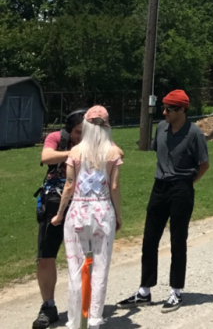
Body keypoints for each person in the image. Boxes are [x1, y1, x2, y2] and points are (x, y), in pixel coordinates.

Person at [119, 89, 209, 313]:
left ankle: (176, 291)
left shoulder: (195, 134)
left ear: (182, 110)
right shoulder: (161, 127)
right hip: (159, 187)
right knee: (149, 239)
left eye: (169, 108)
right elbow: (157, 151)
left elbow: (204, 164)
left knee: (178, 241)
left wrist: (187, 183)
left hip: (181, 188)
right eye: (164, 107)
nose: (164, 111)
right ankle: (144, 291)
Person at [51, 105, 123, 329]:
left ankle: (75, 321)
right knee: (101, 267)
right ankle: (93, 319)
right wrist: (118, 215)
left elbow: (69, 186)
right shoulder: (114, 153)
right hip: (103, 212)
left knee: (76, 267)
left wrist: (59, 213)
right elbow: (114, 186)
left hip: (78, 213)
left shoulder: (75, 152)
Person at [33, 109, 85, 329]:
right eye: (77, 133)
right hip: (54, 200)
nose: (81, 137)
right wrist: (73, 154)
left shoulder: (95, 141)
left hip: (84, 201)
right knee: (46, 256)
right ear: (69, 129)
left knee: (85, 256)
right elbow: (46, 157)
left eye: (86, 133)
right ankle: (48, 307)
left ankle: (84, 305)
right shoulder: (57, 137)